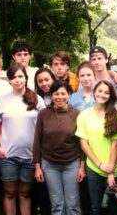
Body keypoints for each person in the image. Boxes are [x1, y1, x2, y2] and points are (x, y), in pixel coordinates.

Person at [0, 63, 45, 215]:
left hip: (30, 156)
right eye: (13, 77)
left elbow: (42, 128)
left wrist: (38, 154)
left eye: (20, 76)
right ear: (9, 80)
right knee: (9, 193)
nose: (17, 80)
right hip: (8, 155)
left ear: (26, 78)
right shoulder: (1, 100)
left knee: (25, 193)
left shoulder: (37, 99)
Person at [33, 80, 84, 215]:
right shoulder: (44, 113)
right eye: (56, 94)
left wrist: (82, 166)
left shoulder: (77, 114)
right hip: (49, 165)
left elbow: (82, 142)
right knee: (57, 204)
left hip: (72, 163)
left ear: (69, 95)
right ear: (51, 95)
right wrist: (37, 167)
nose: (60, 97)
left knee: (72, 203)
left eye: (63, 93)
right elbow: (37, 140)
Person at [76, 80, 117, 215]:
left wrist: (111, 172)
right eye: (100, 91)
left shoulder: (116, 115)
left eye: (106, 92)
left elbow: (115, 144)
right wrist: (99, 164)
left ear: (111, 95)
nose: (102, 94)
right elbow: (84, 143)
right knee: (96, 207)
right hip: (93, 168)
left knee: (113, 208)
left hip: (113, 169)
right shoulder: (83, 115)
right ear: (94, 92)